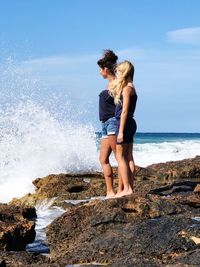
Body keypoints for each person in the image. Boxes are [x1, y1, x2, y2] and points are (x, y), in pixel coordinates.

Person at [109, 60, 137, 198]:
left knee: (120, 157)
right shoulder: (132, 87)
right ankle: (130, 187)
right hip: (130, 123)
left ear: (124, 72)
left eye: (119, 71)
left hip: (124, 123)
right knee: (128, 157)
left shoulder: (127, 89)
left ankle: (127, 188)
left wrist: (120, 131)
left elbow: (124, 111)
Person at [97, 50, 123, 198]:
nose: (100, 73)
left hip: (113, 122)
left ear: (106, 69)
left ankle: (121, 190)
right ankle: (109, 191)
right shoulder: (109, 85)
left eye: (100, 70)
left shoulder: (118, 85)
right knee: (103, 159)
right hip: (105, 125)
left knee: (119, 158)